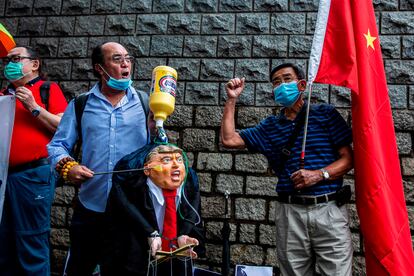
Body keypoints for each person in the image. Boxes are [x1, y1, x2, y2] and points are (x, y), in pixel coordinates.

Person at [221, 63, 354, 275]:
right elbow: (228, 139)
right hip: (290, 214)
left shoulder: (325, 114)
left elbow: (348, 159)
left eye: (287, 79)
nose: (282, 85)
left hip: (328, 210)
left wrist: (319, 175)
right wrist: (231, 99)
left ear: (302, 84)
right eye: (276, 82)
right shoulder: (270, 126)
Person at [47, 42, 151, 276]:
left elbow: (159, 151)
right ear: (99, 69)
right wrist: (68, 167)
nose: (125, 64)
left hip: (133, 210)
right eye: (117, 59)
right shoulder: (81, 104)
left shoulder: (146, 103)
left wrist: (157, 132)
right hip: (91, 207)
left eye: (128, 58)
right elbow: (57, 145)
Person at [0, 46, 68, 275]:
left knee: (31, 240)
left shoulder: (48, 89)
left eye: (16, 59)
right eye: (7, 60)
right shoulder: (3, 95)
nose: (9, 64)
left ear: (35, 64)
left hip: (32, 175)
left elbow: (64, 128)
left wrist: (33, 107)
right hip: (3, 177)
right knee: (4, 243)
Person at [101, 143, 205, 276]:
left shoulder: (190, 184)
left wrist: (183, 235)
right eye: (166, 160)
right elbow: (124, 228)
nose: (176, 165)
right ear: (147, 169)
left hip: (174, 260)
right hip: (134, 259)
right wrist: (149, 234)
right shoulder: (131, 189)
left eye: (179, 160)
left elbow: (192, 215)